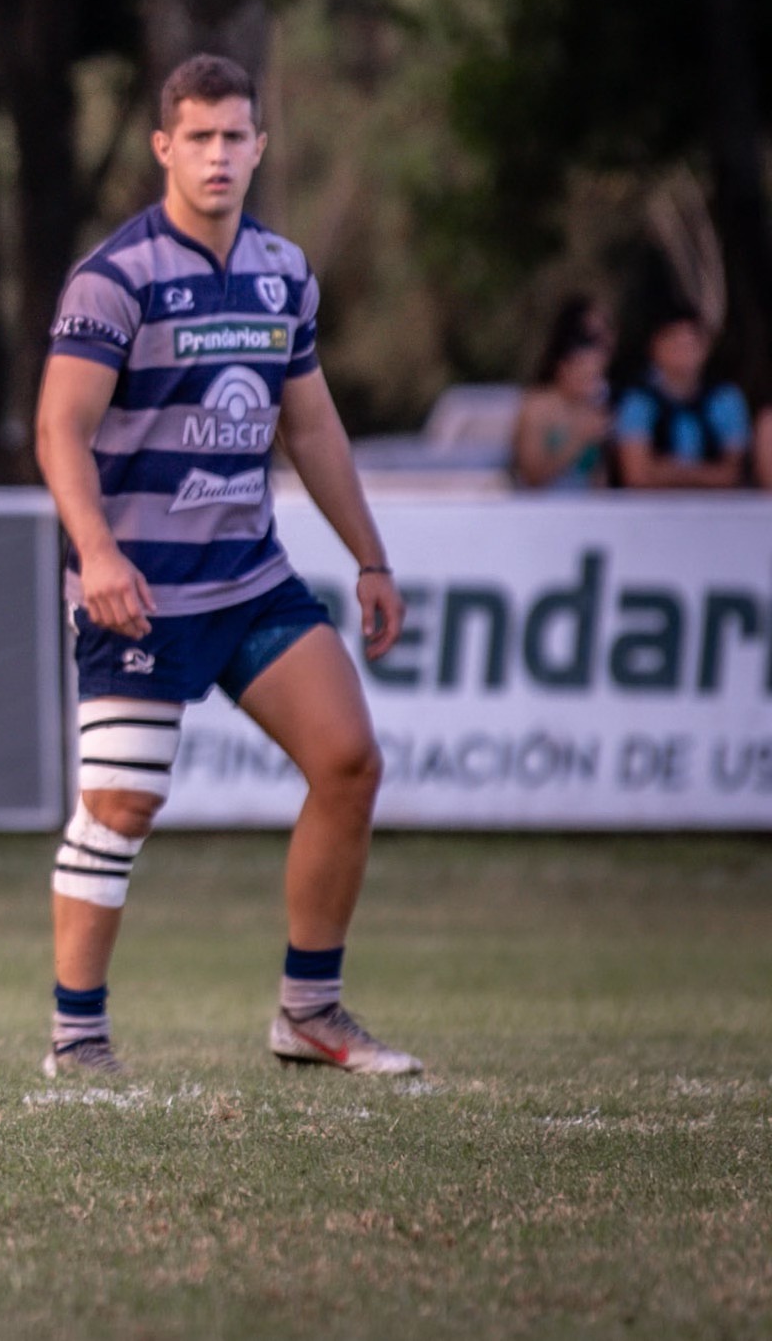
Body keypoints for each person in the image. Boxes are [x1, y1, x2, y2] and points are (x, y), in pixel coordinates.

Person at [34, 54, 419, 1078]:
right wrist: (98, 552)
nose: (216, 155)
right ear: (163, 147)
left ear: (257, 145)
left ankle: (308, 1012)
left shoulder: (282, 271)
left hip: (249, 578)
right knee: (118, 809)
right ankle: (75, 1039)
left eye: (233, 136)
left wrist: (369, 558)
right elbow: (57, 430)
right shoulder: (112, 278)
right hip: (137, 592)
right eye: (196, 137)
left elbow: (312, 425)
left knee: (347, 761)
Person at [612, 308, 750, 489]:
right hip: (651, 511)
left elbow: (733, 475)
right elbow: (636, 476)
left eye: (690, 345)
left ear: (706, 348)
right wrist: (707, 474)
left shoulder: (726, 398)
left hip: (717, 511)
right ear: (655, 346)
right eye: (675, 345)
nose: (683, 354)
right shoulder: (637, 400)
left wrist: (670, 471)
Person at [511, 296, 612, 490]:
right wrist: (578, 440)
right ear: (563, 368)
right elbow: (531, 477)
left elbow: (599, 480)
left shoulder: (594, 409)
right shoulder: (537, 407)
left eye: (595, 376)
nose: (590, 383)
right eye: (584, 375)